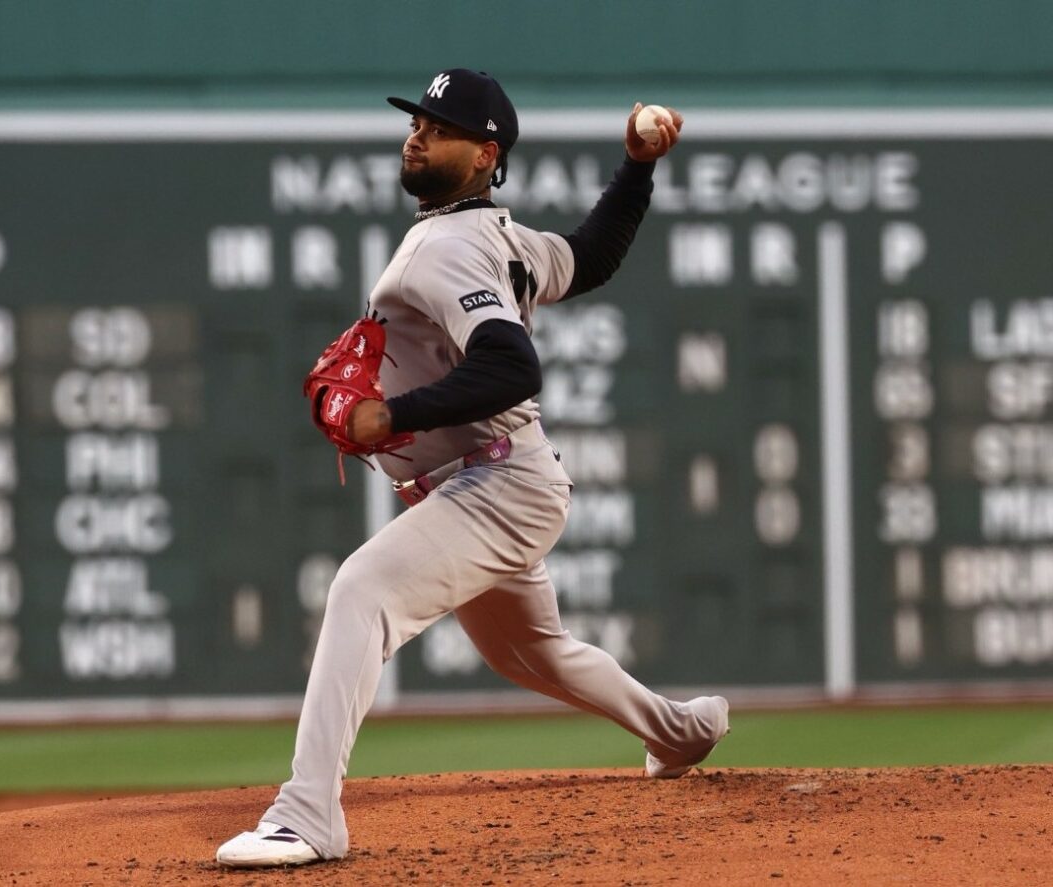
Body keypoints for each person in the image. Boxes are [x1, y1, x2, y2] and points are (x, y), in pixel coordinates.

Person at [216, 68, 729, 869]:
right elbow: (589, 257)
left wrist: (395, 414)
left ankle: (307, 815)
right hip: (497, 478)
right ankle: (682, 729)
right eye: (416, 120)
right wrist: (636, 167)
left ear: (487, 153)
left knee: (361, 590)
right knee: (532, 652)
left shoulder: (447, 248)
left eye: (440, 126)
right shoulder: (501, 238)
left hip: (496, 481)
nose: (417, 132)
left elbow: (512, 367)